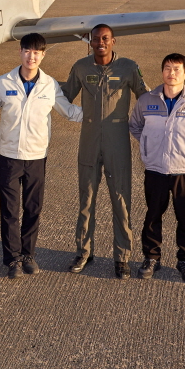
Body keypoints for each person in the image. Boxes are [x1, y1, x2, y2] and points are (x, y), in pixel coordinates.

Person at [0, 33, 83, 279]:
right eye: (27, 51)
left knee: (33, 208)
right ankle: (13, 259)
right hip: (9, 157)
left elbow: (69, 112)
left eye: (37, 52)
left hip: (37, 157)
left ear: (43, 55)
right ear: (20, 52)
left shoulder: (49, 85)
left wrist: (97, 114)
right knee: (10, 210)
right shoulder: (4, 82)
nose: (31, 56)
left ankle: (28, 255)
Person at [62, 24, 149, 279]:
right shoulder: (80, 67)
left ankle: (122, 258)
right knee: (86, 199)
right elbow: (64, 94)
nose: (100, 42)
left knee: (120, 200)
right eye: (96, 39)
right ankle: (83, 252)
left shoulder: (129, 68)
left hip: (117, 141)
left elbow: (145, 97)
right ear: (89, 41)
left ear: (114, 41)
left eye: (105, 38)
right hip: (89, 140)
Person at [128, 53, 185, 283]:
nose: (172, 73)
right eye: (168, 68)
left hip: (184, 172)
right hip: (155, 170)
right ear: (162, 72)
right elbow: (136, 125)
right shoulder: (147, 100)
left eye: (177, 69)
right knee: (153, 214)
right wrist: (149, 148)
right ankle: (151, 258)